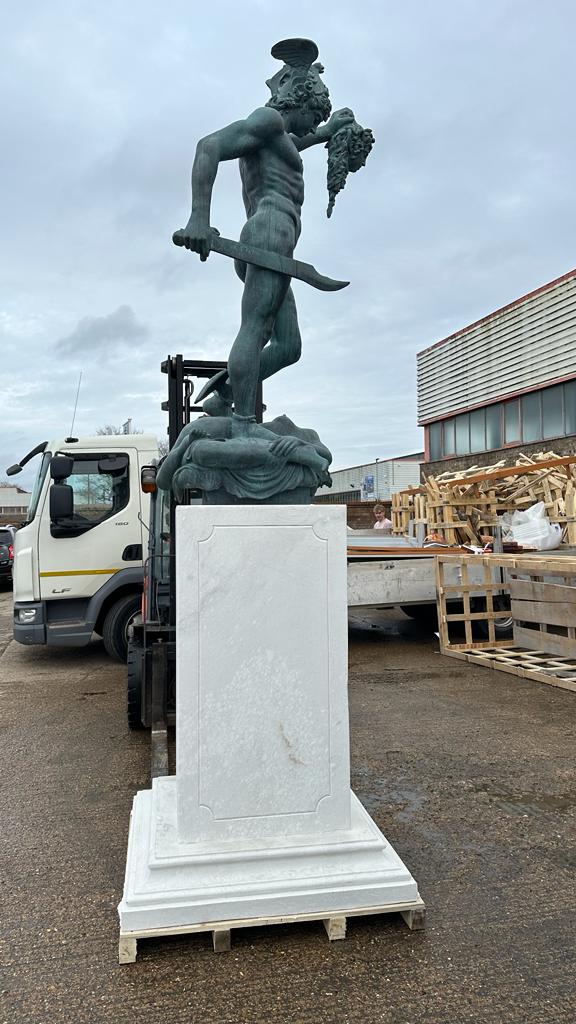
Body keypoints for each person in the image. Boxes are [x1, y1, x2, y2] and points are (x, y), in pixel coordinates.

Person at [173, 38, 355, 433]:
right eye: (314, 115)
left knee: (289, 346)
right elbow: (208, 146)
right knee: (254, 327)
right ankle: (241, 424)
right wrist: (198, 219)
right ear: (300, 102)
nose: (313, 123)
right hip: (268, 232)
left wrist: (326, 133)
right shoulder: (267, 121)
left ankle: (224, 396)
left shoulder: (280, 137)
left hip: (277, 242)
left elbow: (297, 142)